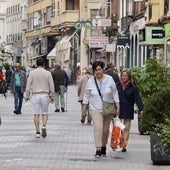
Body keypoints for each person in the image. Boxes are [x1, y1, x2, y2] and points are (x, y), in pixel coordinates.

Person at [82, 61, 120, 158]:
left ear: (103, 69)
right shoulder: (90, 82)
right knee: (98, 127)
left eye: (99, 69)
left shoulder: (110, 79)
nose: (98, 72)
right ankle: (98, 148)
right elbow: (86, 96)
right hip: (95, 108)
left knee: (105, 129)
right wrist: (83, 111)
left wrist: (118, 105)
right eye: (96, 70)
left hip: (108, 108)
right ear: (94, 71)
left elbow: (115, 93)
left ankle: (103, 146)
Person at [25, 58, 55, 138]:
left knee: (36, 114)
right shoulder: (48, 73)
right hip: (45, 94)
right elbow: (51, 86)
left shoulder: (32, 73)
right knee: (44, 113)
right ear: (43, 64)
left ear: (36, 64)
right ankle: (44, 125)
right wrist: (52, 95)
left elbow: (28, 85)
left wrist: (27, 95)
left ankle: (37, 132)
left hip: (35, 95)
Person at [116, 69, 144, 152]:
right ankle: (119, 142)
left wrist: (141, 108)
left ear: (128, 77)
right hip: (119, 109)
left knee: (126, 129)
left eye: (125, 76)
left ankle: (123, 145)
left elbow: (137, 99)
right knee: (119, 128)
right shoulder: (117, 86)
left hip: (128, 109)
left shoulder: (133, 87)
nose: (124, 77)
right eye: (122, 76)